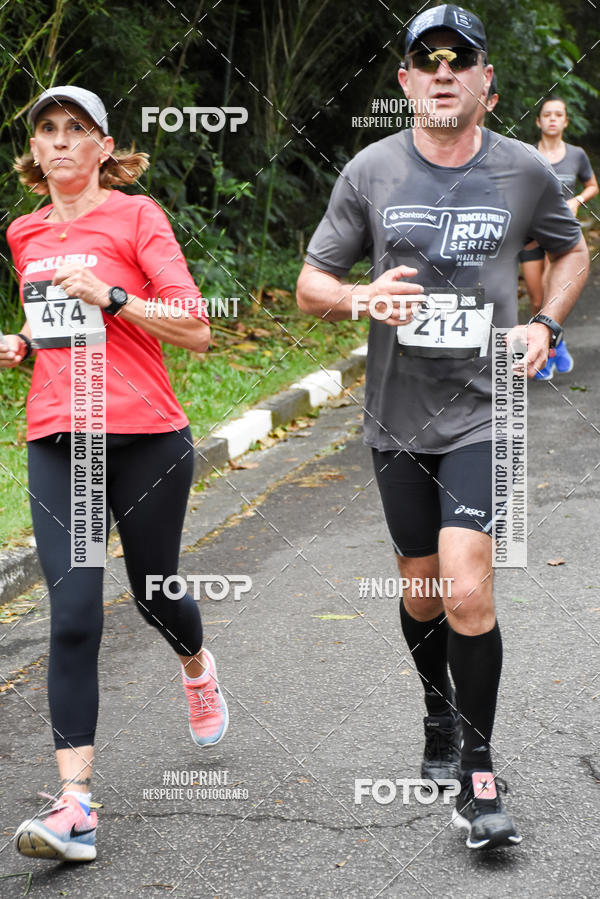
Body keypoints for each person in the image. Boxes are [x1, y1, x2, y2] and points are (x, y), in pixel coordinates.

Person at [297, 5, 589, 850]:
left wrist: (548, 324)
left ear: (487, 82)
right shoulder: (371, 171)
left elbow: (571, 250)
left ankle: (480, 773)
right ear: (406, 82)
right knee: (422, 583)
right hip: (397, 415)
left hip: (486, 406)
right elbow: (315, 282)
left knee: (467, 583)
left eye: (461, 60)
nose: (445, 71)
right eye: (428, 60)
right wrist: (360, 296)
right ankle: (438, 708)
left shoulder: (526, 171)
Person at [1, 86, 228, 863]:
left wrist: (116, 294)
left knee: (155, 591)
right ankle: (76, 805)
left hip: (145, 434)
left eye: (77, 130)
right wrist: (22, 344)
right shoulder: (23, 232)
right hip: (59, 435)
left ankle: (196, 664)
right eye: (48, 131)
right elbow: (49, 320)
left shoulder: (138, 217)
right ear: (35, 152)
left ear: (104, 147)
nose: (61, 142)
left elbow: (196, 327)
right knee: (72, 612)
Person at [521, 95, 598, 378]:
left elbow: (592, 185)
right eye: (547, 114)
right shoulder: (525, 153)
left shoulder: (576, 154)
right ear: (539, 121)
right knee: (536, 298)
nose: (553, 119)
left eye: (558, 114)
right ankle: (557, 342)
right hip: (530, 235)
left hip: (561, 238)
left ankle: (547, 353)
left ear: (565, 121)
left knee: (551, 296)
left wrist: (577, 200)